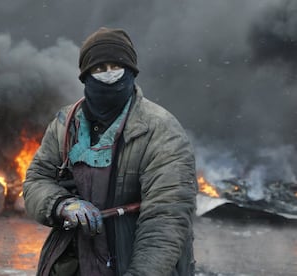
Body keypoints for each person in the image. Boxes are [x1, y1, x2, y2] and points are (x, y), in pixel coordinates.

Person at [23, 27, 198, 276]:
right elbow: (36, 181)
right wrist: (62, 204)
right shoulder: (65, 123)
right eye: (99, 68)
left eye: (116, 67)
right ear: (85, 76)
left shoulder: (160, 130)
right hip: (72, 263)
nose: (109, 76)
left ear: (131, 71)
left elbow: (166, 219)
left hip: (130, 261)